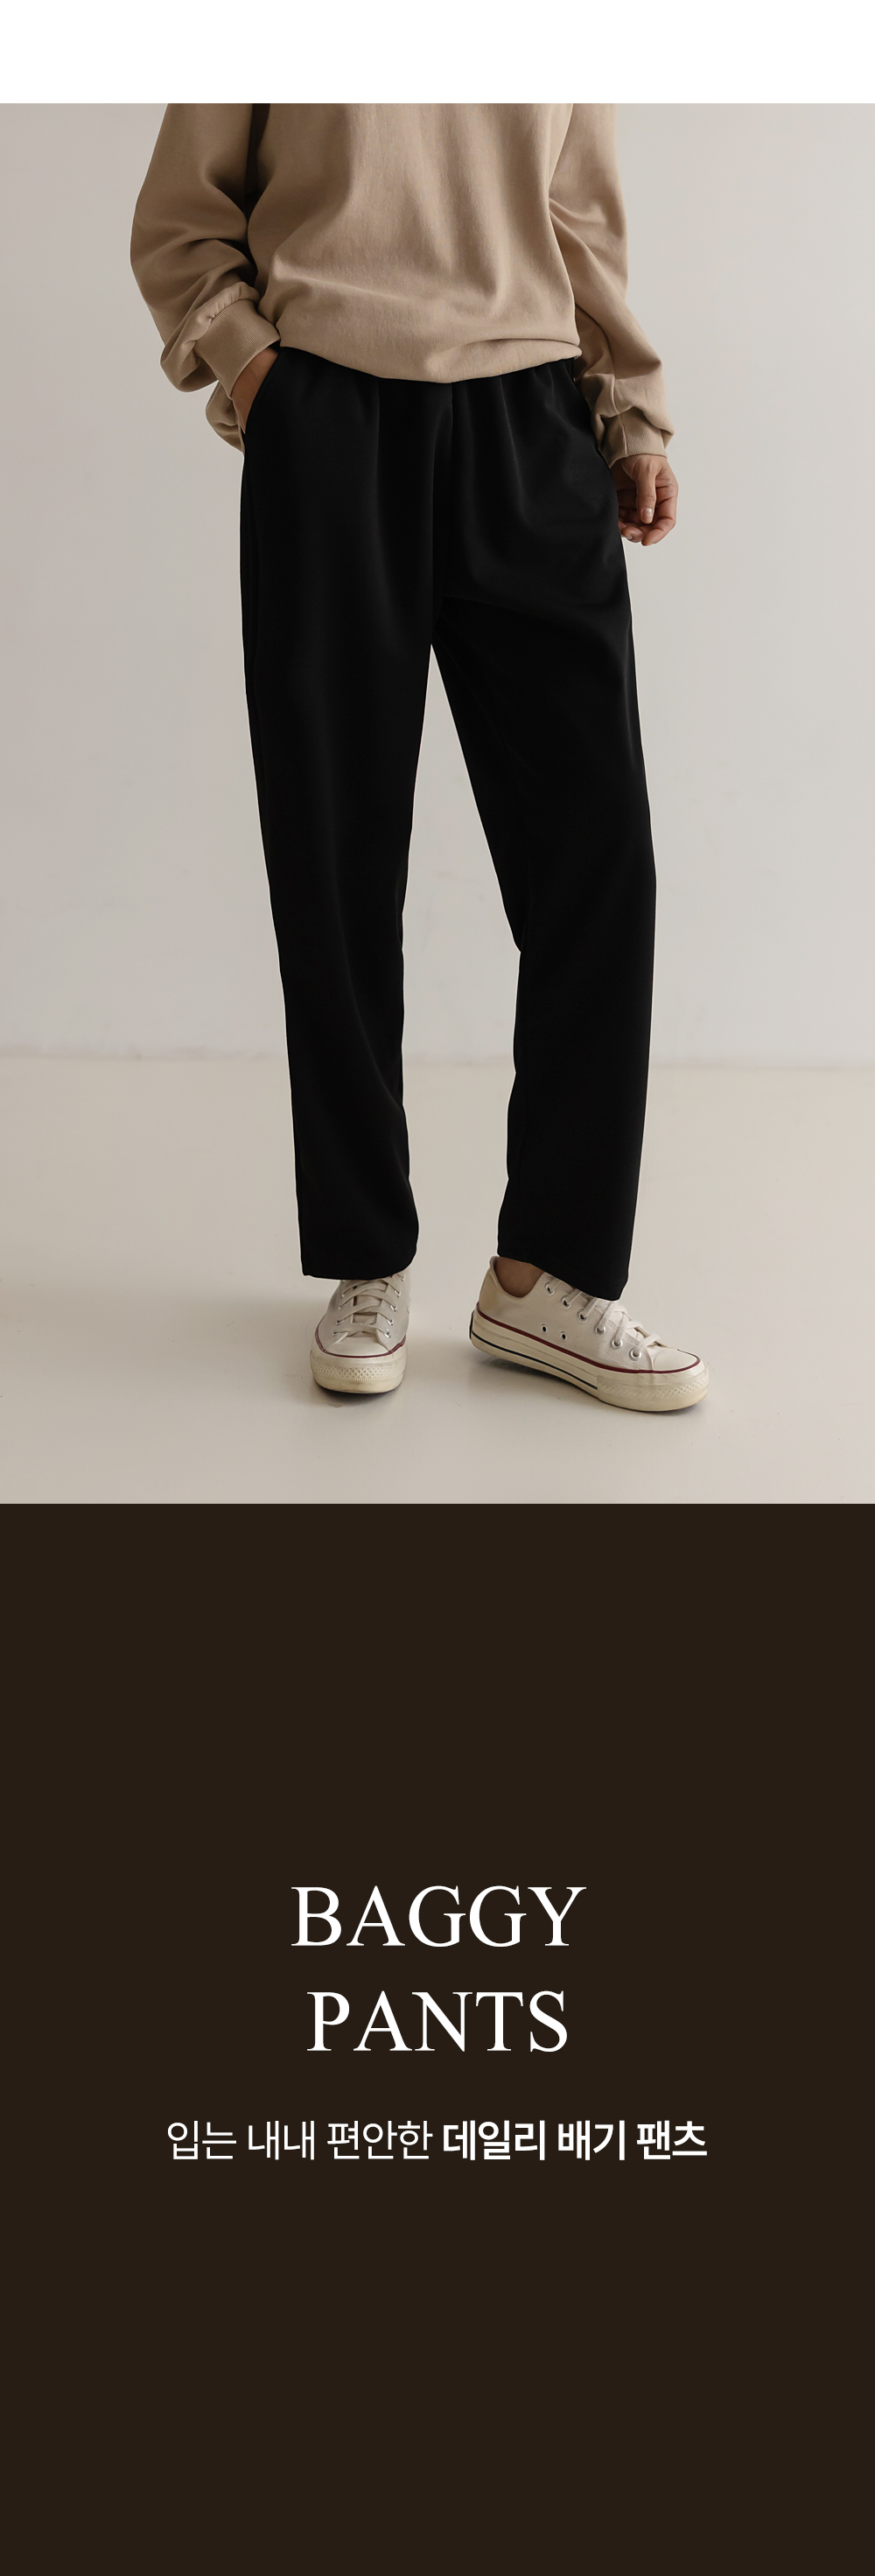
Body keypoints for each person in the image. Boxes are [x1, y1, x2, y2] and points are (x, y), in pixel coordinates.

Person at [131, 104, 708, 1413]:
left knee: (596, 862)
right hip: (331, 417)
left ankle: (549, 1275)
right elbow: (181, 221)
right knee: (335, 863)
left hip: (532, 425)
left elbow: (578, 212)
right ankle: (363, 1260)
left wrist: (630, 411)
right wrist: (259, 374)